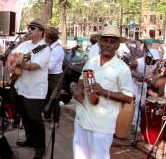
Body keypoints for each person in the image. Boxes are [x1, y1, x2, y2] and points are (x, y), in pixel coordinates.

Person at [73, 25, 134, 159]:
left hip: (102, 125)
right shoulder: (91, 61)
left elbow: (129, 98)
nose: (108, 44)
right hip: (82, 119)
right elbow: (82, 79)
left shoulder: (122, 69)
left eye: (113, 42)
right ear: (100, 42)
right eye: (105, 40)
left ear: (118, 45)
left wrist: (104, 91)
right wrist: (78, 90)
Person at [9, 19, 51, 159]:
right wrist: (11, 62)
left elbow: (34, 66)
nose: (29, 30)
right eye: (29, 27)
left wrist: (20, 64)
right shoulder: (25, 44)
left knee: (35, 119)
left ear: (40, 31)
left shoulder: (43, 48)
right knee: (25, 117)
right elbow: (12, 54)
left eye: (32, 28)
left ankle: (40, 148)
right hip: (21, 86)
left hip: (35, 90)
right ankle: (30, 139)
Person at [129, 48, 159, 131]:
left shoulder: (155, 64)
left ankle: (139, 122)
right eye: (150, 59)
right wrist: (135, 75)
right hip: (134, 83)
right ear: (146, 56)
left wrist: (150, 78)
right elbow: (128, 70)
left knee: (142, 103)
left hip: (143, 84)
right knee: (135, 102)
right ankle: (133, 124)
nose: (151, 62)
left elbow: (156, 73)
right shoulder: (137, 62)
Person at [43, 27, 64, 129]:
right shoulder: (48, 46)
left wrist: (38, 64)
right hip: (49, 76)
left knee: (55, 99)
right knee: (46, 96)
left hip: (55, 77)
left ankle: (56, 121)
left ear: (50, 39)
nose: (44, 38)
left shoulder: (57, 49)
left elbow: (50, 67)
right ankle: (47, 116)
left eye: (45, 36)